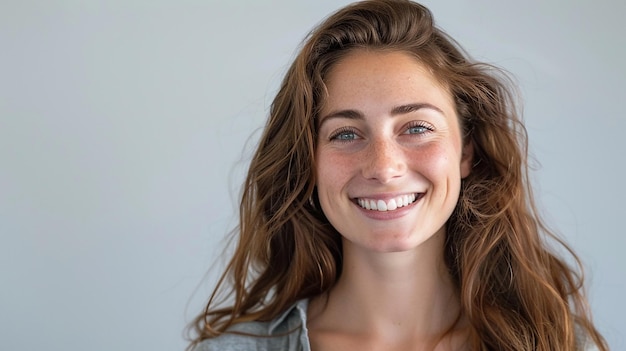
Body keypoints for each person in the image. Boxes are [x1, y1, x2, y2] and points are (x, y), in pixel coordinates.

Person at [188, 0, 608, 350]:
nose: (384, 168)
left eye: (417, 128)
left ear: (467, 152)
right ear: (308, 163)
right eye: (346, 133)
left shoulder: (552, 341)